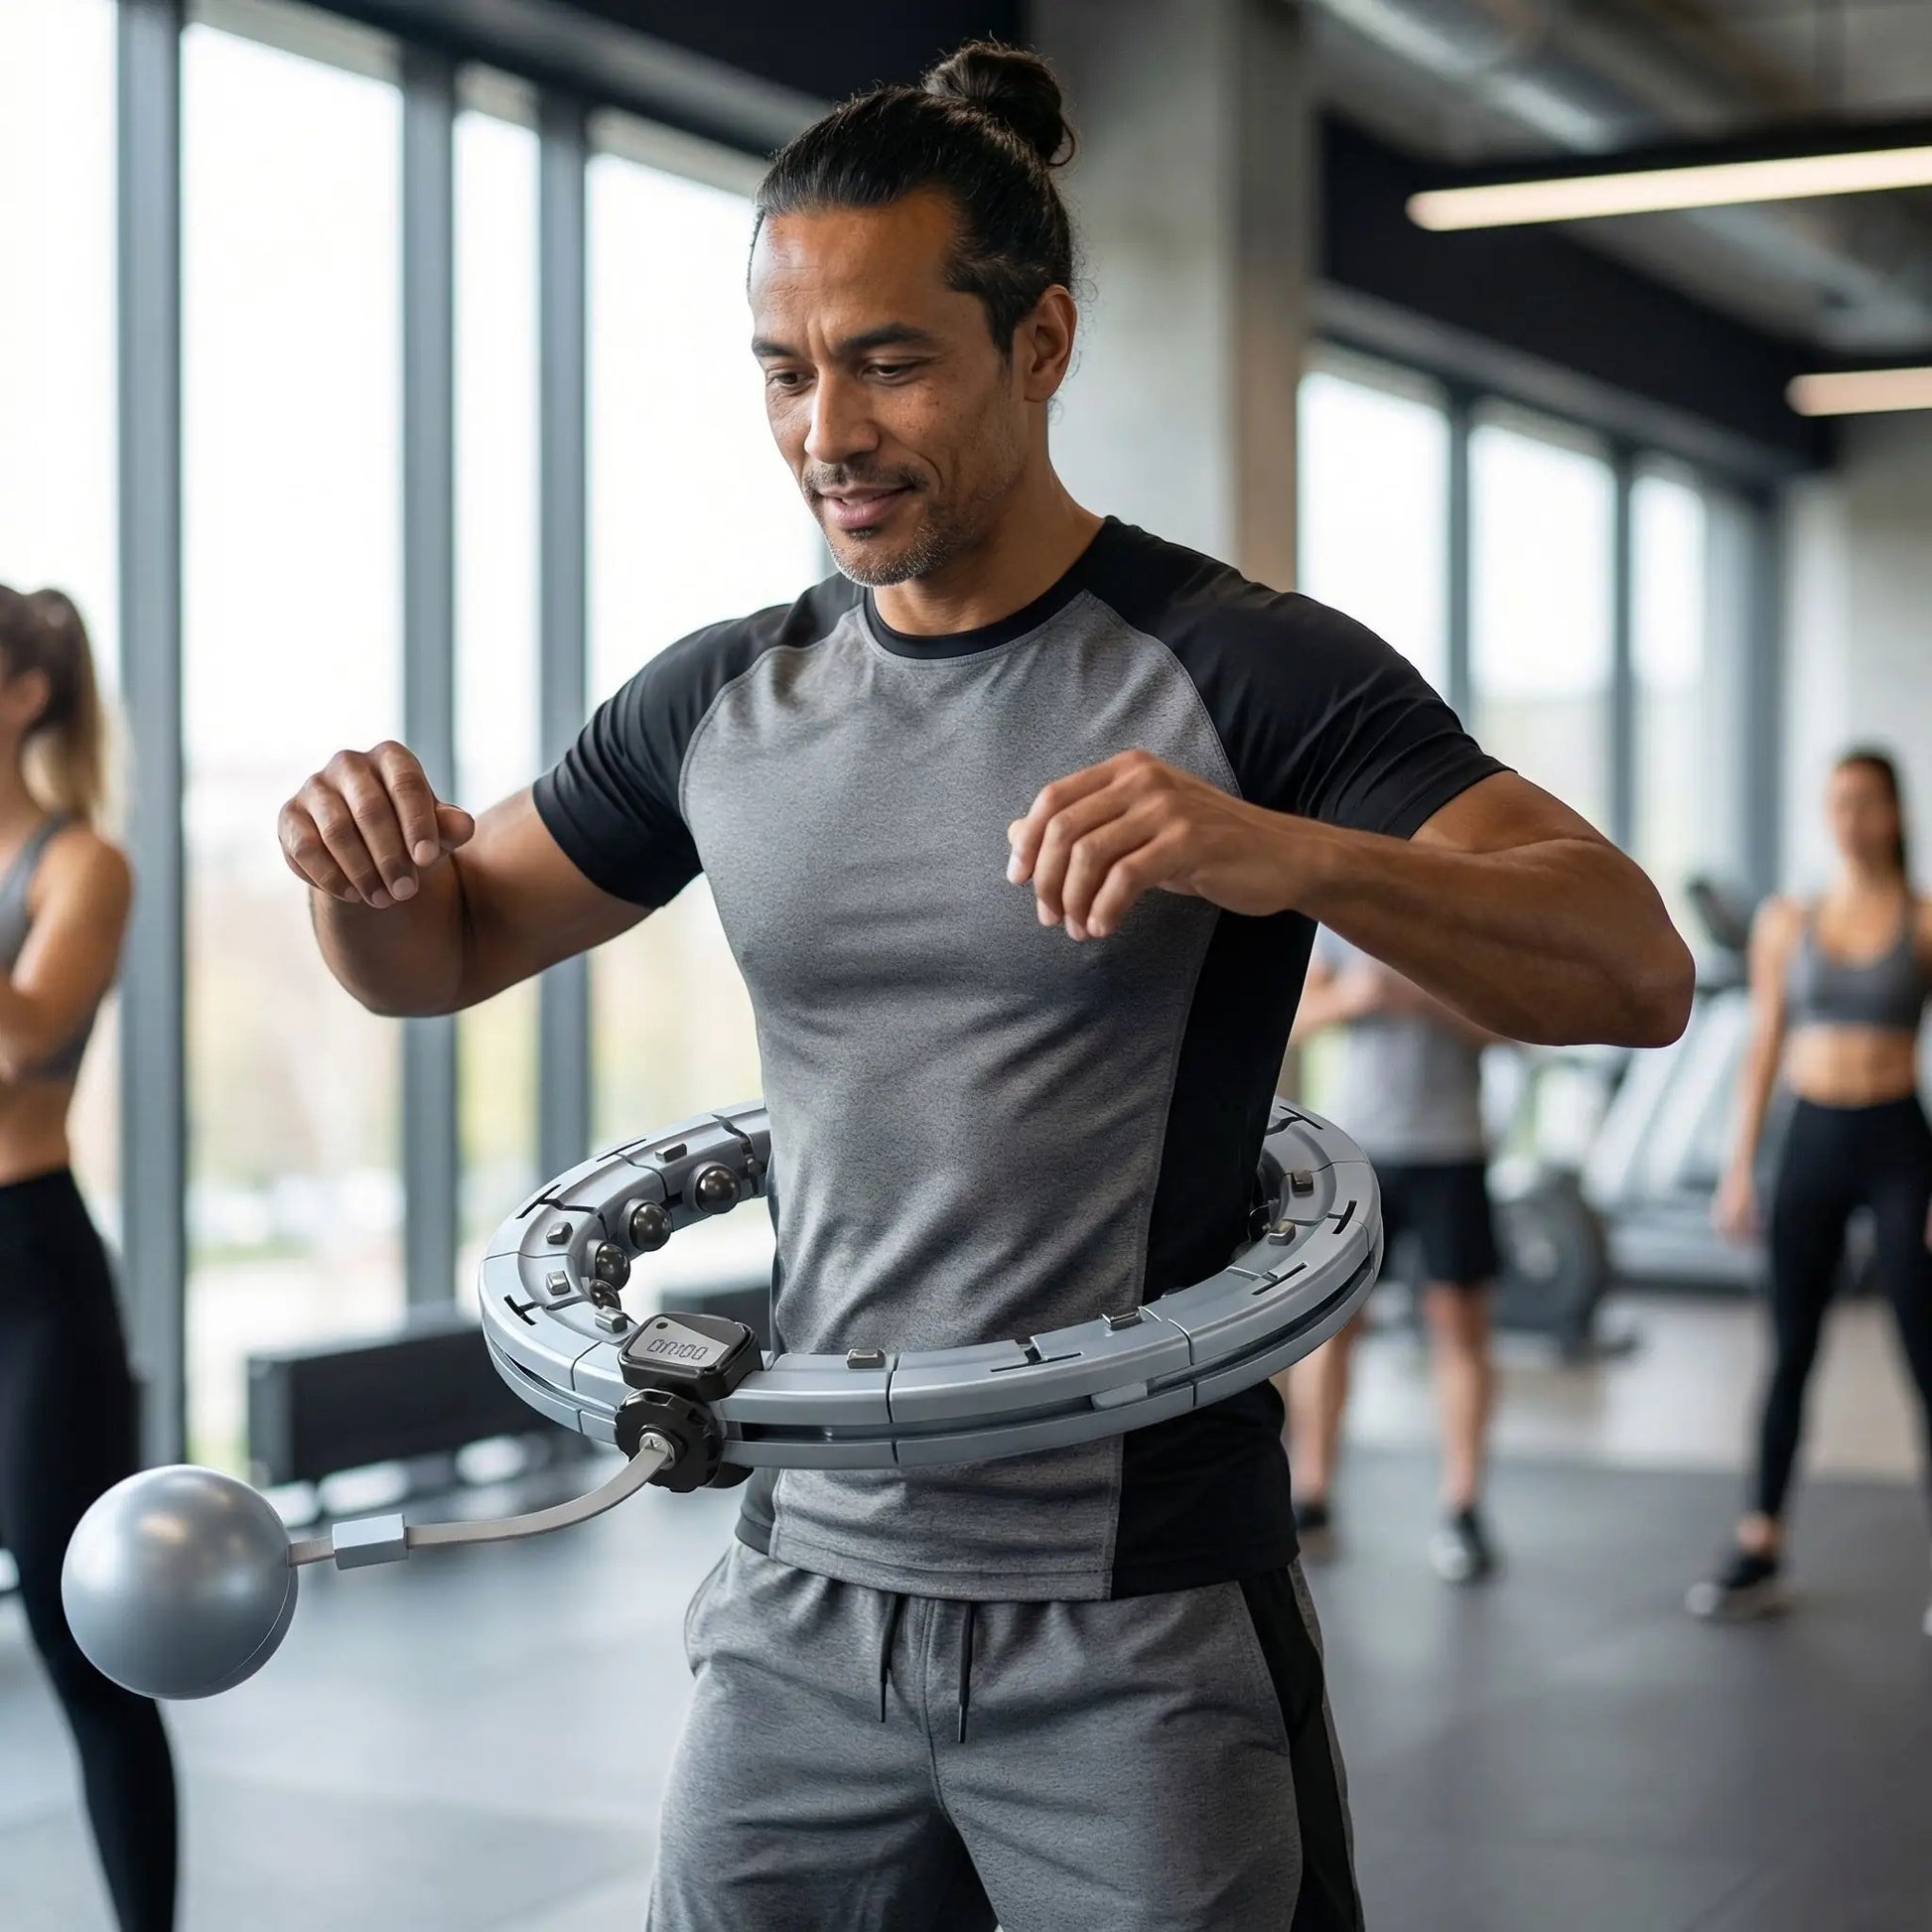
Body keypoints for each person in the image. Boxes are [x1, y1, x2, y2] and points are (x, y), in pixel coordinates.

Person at [277, 44, 1690, 1932]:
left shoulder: (1244, 673)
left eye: (889, 360)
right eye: (785, 370)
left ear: (1041, 349)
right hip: (796, 1595)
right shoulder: (718, 701)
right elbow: (437, 951)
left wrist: (1292, 857)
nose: (826, 433)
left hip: (1134, 1615)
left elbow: (1631, 965)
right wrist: (353, 879)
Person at [0, 586, 175, 1932]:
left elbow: (22, 1037)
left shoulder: (77, 864)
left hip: (28, 1273)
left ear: (24, 695)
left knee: (85, 1642)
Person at [1691, 748, 1932, 1627]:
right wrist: (1738, 1166)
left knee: (1924, 1353)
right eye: (1837, 803)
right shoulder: (1790, 920)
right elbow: (1762, 1049)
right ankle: (1760, 1543)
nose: (1850, 819)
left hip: (1899, 1138)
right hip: (1812, 1139)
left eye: (1866, 802)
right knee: (1790, 1351)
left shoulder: (1924, 916)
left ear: (1895, 813)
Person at [1284, 933, 1505, 1585]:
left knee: (1459, 1329)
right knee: (1333, 1328)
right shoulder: (1341, 918)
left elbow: (1522, 1025)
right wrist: (1357, 996)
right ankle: (1313, 1496)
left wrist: (1432, 1000)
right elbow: (1296, 1020)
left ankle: (1462, 1506)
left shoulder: (1467, 915)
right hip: (1360, 1149)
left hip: (1452, 1147)